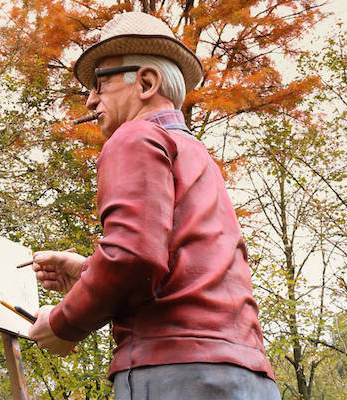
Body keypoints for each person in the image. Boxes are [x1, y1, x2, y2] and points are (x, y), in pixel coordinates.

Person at [28, 11, 279, 400]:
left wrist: (63, 323)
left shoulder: (135, 136)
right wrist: (90, 270)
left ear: (146, 82)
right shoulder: (196, 153)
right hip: (246, 375)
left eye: (100, 83)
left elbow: (133, 259)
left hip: (173, 374)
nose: (91, 100)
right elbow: (178, 262)